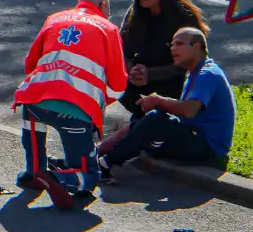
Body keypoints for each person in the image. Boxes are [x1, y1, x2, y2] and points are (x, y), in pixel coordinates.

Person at [11, 0, 128, 210]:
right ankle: (63, 180)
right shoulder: (108, 29)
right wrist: (98, 103)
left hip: (35, 101)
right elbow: (119, 85)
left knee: (34, 123)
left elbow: (30, 64)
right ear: (103, 6)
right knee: (89, 175)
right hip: (75, 110)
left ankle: (33, 172)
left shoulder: (53, 19)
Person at [96, 27, 236, 183]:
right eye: (172, 45)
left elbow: (188, 111)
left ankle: (105, 164)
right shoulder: (196, 72)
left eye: (179, 44)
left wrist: (158, 101)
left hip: (209, 147)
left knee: (155, 119)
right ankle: (98, 153)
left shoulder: (207, 74)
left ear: (196, 46)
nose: (173, 48)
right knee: (144, 115)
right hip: (194, 137)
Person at [98, 0, 210, 155]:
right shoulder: (136, 13)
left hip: (171, 81)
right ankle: (111, 131)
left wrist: (150, 74)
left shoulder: (183, 17)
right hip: (140, 76)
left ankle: (130, 138)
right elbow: (119, 48)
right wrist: (132, 68)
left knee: (143, 124)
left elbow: (186, 65)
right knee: (108, 74)